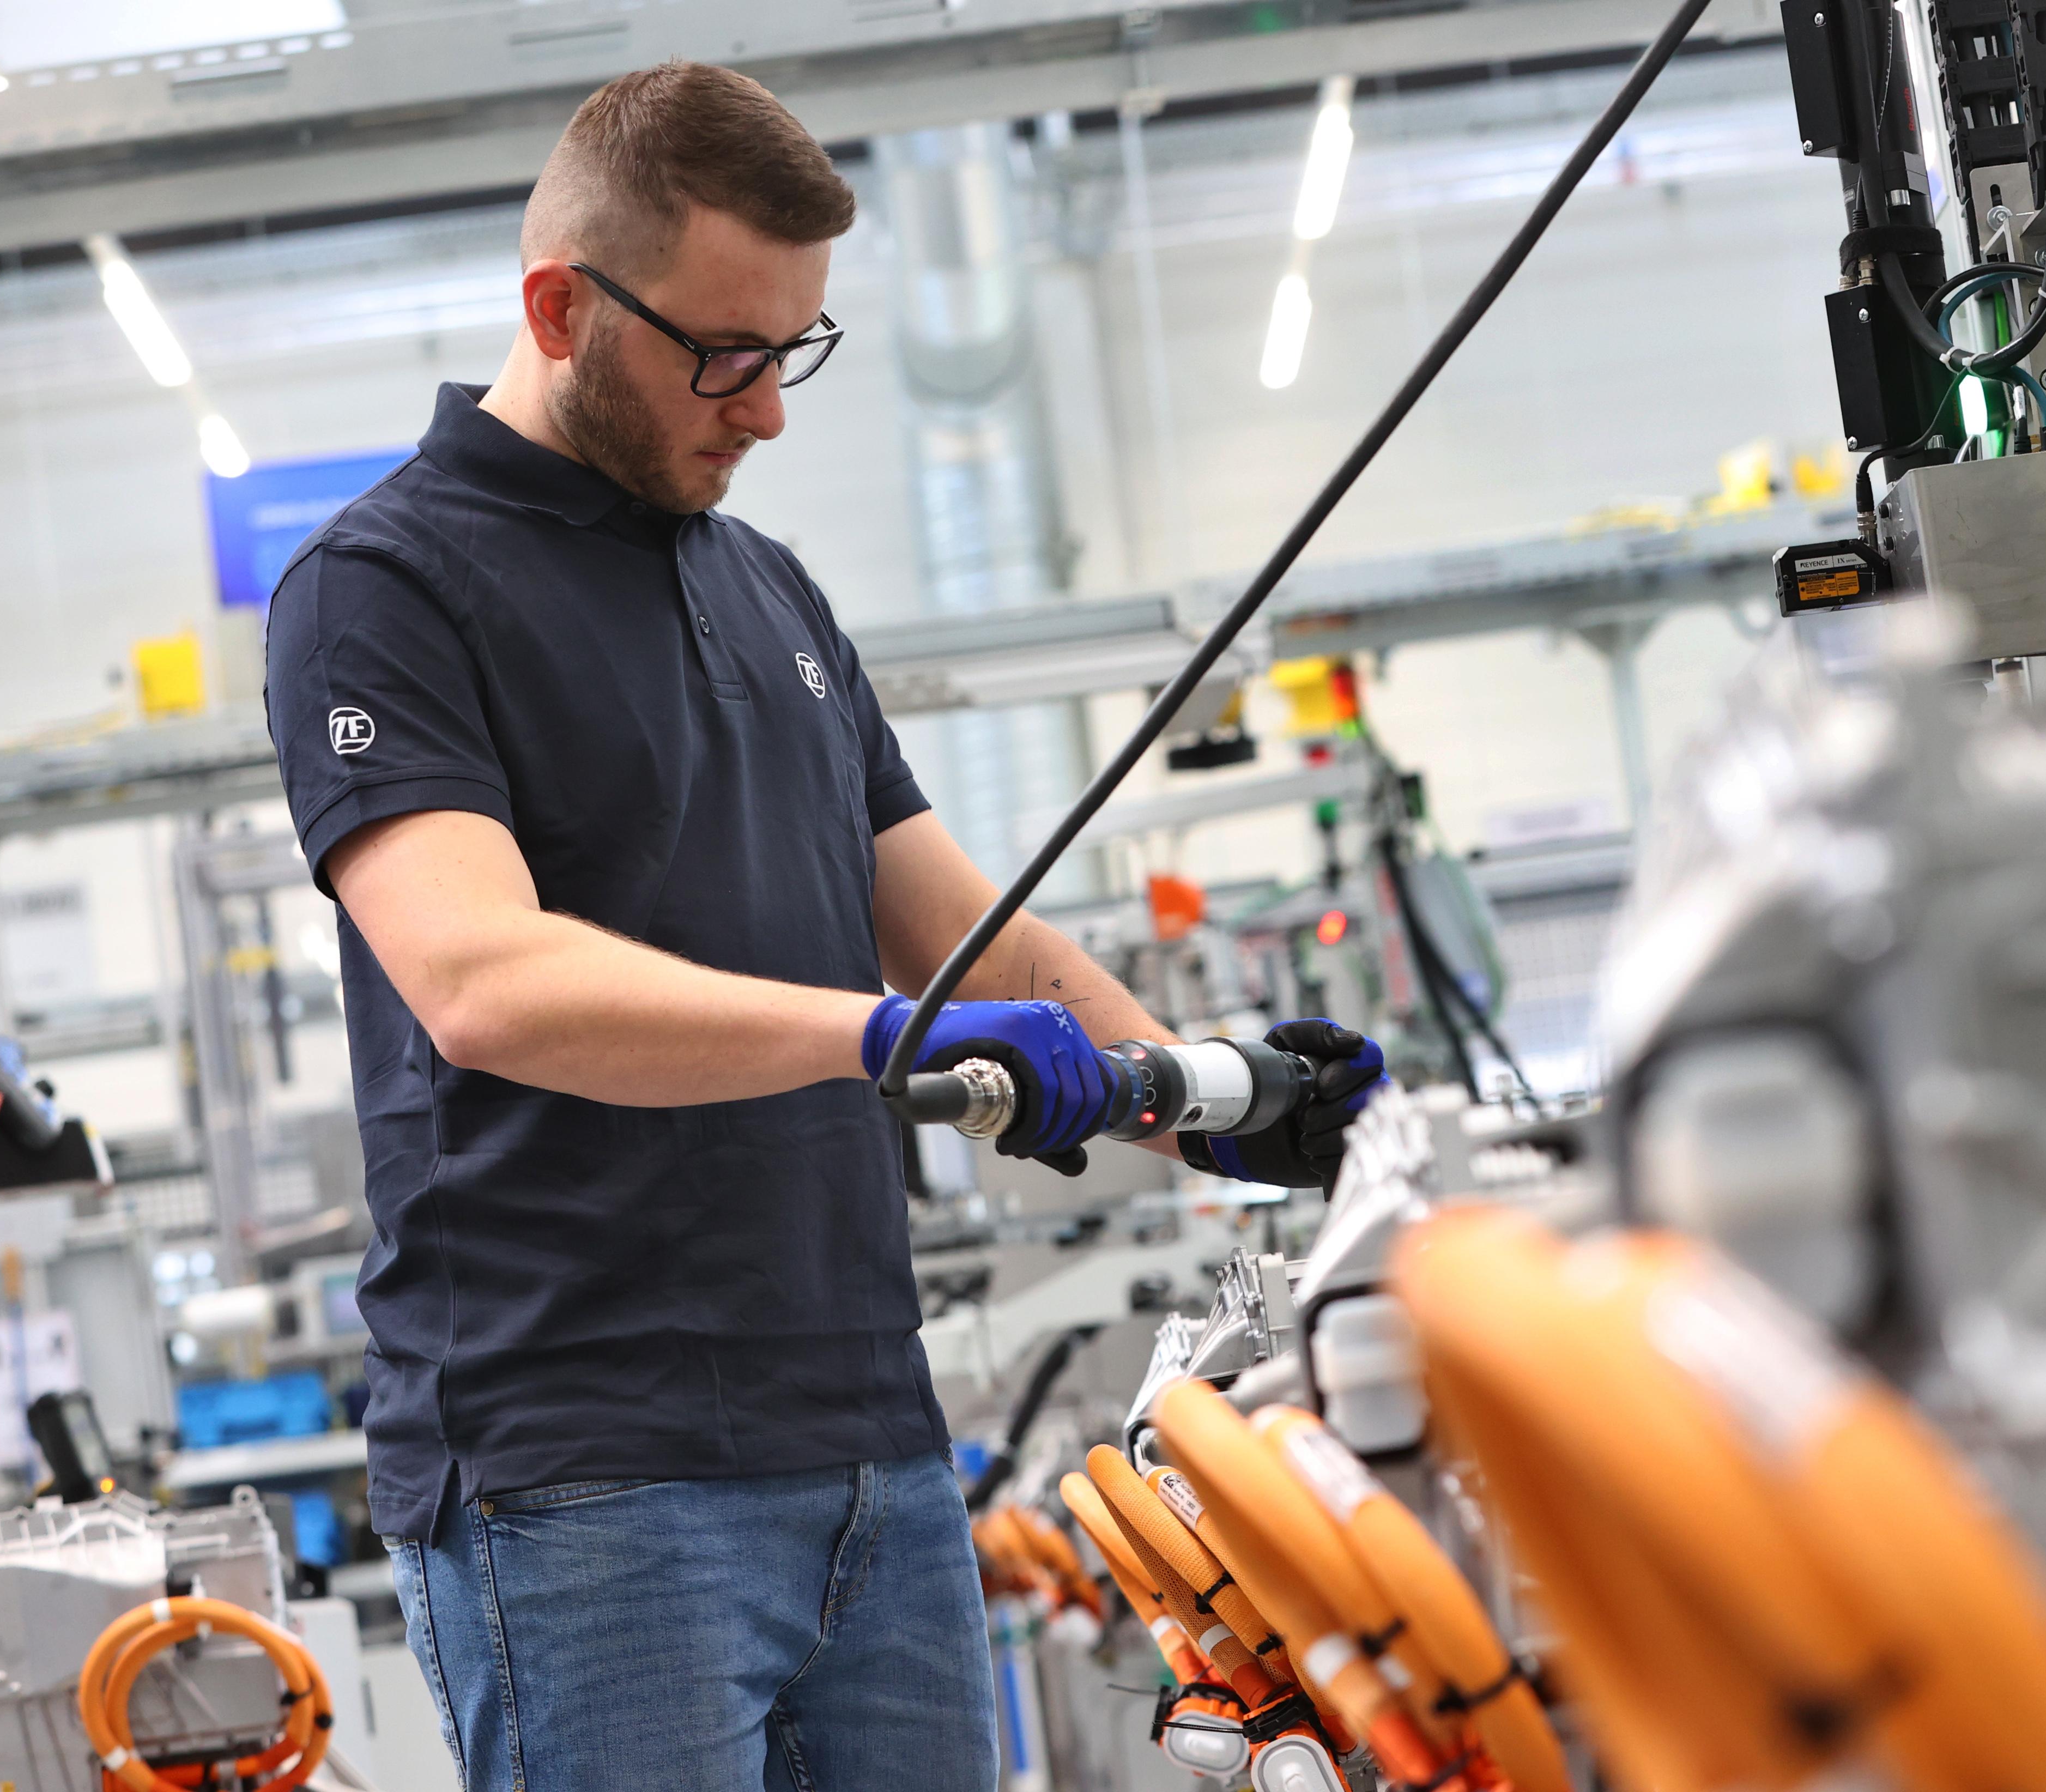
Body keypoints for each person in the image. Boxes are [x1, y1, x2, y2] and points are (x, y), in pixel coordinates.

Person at [261, 60, 1384, 1792]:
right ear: (561, 307)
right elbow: (480, 980)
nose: (768, 408)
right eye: (725, 353)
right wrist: (881, 1038)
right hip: (587, 1478)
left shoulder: (764, 584)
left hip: (873, 1447)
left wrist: (1211, 1101)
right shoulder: (384, 587)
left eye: (796, 352)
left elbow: (972, 944)